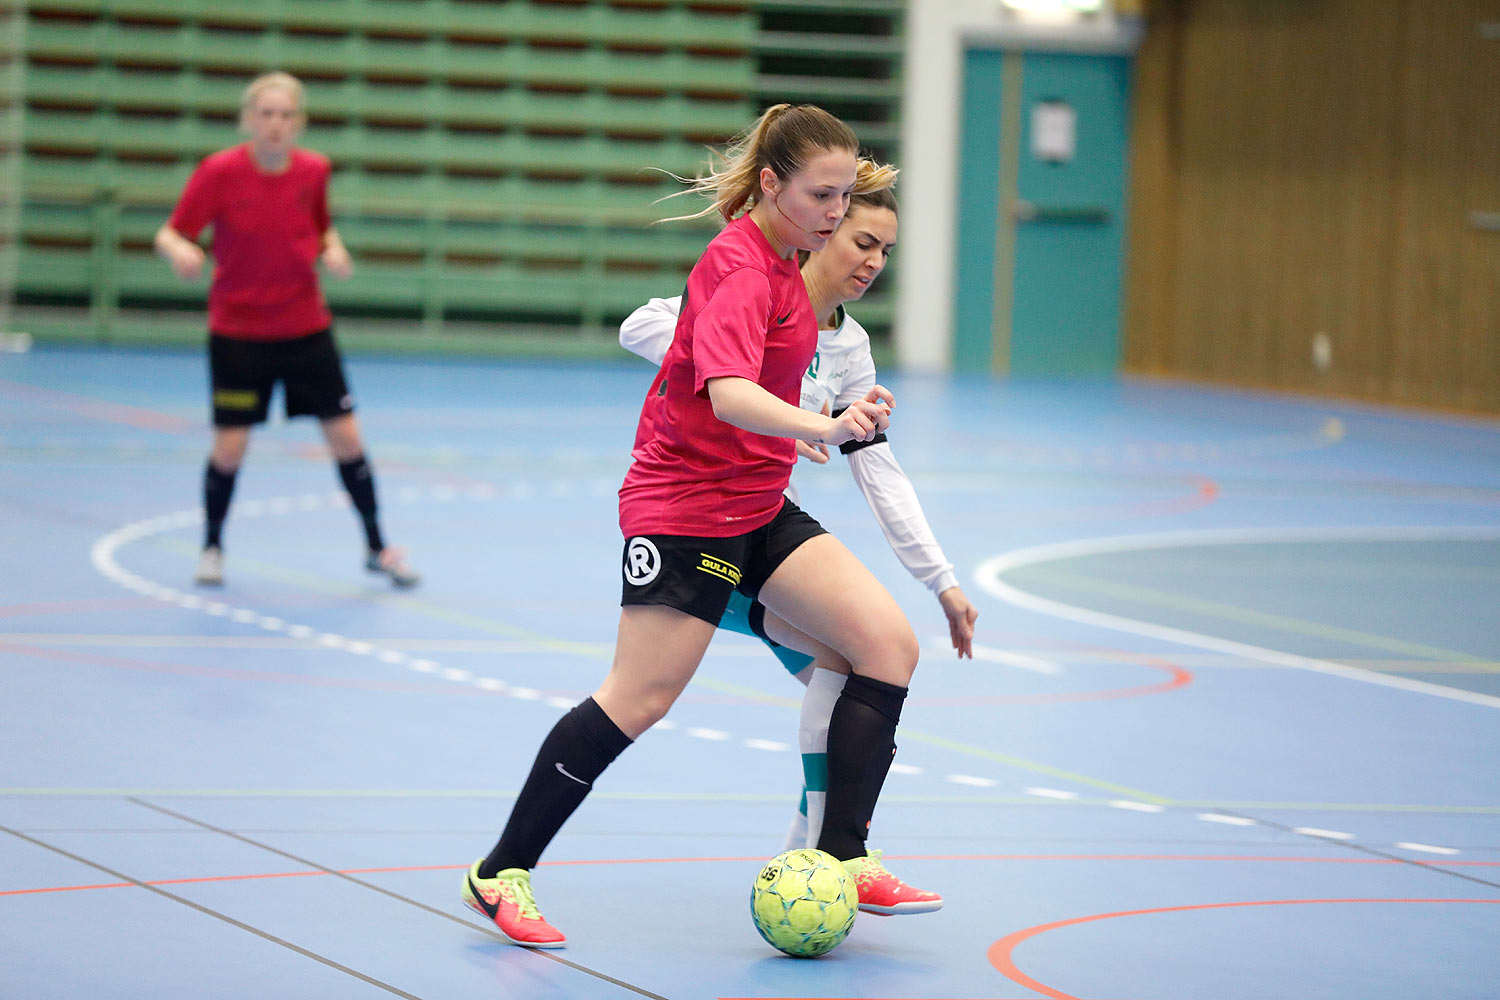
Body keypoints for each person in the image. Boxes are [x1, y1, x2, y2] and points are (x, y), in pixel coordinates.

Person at [461, 104, 940, 949]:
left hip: (756, 505)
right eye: (823, 196)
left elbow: (776, 384)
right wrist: (819, 427)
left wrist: (844, 411)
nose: (837, 214)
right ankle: (502, 870)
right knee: (640, 697)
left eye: (844, 198)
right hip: (685, 510)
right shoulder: (742, 269)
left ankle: (841, 856)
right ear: (771, 185)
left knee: (883, 646)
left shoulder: (791, 268)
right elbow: (726, 392)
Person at [619, 177, 979, 854]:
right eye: (861, 241)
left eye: (886, 250)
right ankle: (822, 849)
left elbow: (879, 469)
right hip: (695, 527)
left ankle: (816, 854)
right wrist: (784, 408)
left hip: (763, 523)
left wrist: (943, 581)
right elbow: (640, 326)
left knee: (860, 676)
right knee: (640, 699)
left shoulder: (850, 347)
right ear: (822, 231)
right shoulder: (753, 290)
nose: (873, 261)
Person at [154, 71, 418, 589]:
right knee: (230, 447)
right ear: (249, 120)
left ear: (298, 122)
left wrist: (333, 248)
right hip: (238, 332)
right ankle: (211, 546)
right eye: (266, 114)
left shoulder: (314, 171)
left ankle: (375, 546)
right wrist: (180, 249)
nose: (275, 124)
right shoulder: (219, 172)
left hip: (305, 329)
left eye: (285, 115)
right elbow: (170, 231)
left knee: (347, 439)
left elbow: (321, 229)